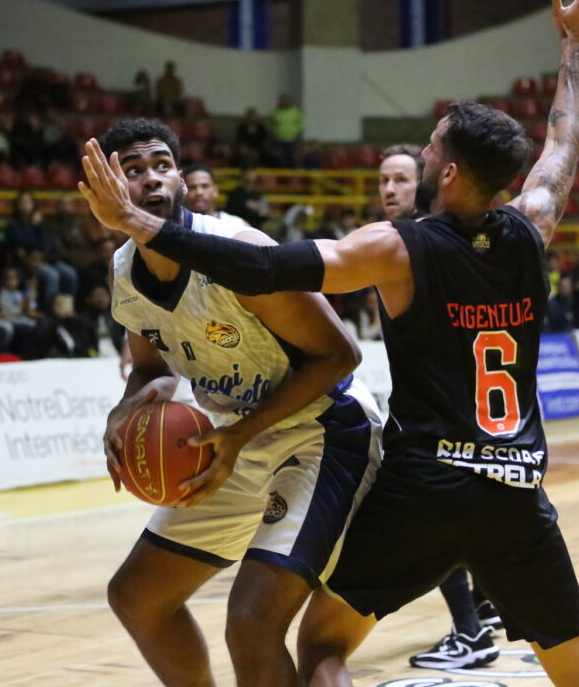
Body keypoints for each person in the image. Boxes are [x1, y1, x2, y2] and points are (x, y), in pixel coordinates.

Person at [79, 0, 579, 687]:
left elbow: (269, 271)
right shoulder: (533, 226)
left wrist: (144, 224)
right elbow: (564, 143)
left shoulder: (398, 249)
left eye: (430, 148)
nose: (420, 155)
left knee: (322, 646)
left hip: (419, 485)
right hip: (516, 490)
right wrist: (573, 51)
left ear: (450, 173)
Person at [80, 118, 384, 687]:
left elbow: (339, 356)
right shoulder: (125, 272)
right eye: (135, 170)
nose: (152, 180)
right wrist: (126, 410)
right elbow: (150, 366)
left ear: (182, 180)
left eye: (163, 166)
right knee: (138, 597)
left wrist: (239, 437)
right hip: (234, 438)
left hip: (325, 430)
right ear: (105, 188)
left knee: (251, 621)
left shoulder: (236, 253)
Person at [377, 142, 500, 669]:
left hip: (450, 412)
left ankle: (470, 630)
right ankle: (482, 603)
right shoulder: (401, 241)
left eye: (401, 179)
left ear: (426, 183)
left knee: (432, 514)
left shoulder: (426, 242)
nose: (388, 189)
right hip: (472, 406)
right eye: (382, 180)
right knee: (473, 513)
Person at [183, 166, 249, 229]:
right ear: (183, 191)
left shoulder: (237, 225)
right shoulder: (176, 226)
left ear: (215, 190)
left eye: (205, 186)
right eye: (192, 187)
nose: (199, 192)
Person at [272, 95, 304, 167]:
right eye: (282, 100)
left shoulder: (295, 111)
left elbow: (300, 124)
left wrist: (298, 135)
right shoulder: (276, 112)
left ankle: (292, 176)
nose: (284, 102)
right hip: (279, 139)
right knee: (281, 158)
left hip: (292, 139)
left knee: (292, 158)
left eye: (285, 100)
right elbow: (272, 124)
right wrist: (274, 133)